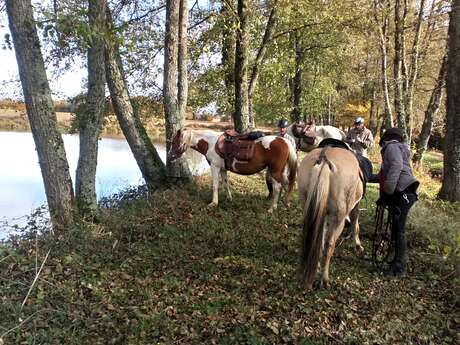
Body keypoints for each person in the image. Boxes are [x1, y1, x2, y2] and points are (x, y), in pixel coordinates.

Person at [371, 127, 419, 277]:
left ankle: (399, 268)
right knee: (397, 228)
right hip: (405, 192)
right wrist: (365, 176)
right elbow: (387, 173)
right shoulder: (399, 148)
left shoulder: (391, 147)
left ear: (387, 138)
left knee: (399, 230)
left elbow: (396, 167)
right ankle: (395, 262)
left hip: (402, 192)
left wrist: (387, 191)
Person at [266, 119, 296, 199]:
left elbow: (293, 153)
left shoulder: (290, 139)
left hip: (285, 162)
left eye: (284, 127)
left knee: (284, 178)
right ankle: (271, 193)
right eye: (281, 127)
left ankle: (285, 196)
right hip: (273, 161)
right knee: (268, 177)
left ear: (286, 128)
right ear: (278, 128)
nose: (282, 129)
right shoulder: (275, 137)